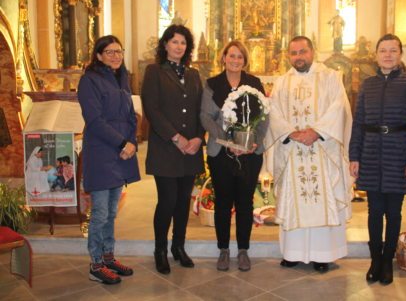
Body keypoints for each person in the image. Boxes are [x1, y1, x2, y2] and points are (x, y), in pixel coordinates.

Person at [265, 36, 353, 273]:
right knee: (293, 200)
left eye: (302, 51)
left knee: (321, 200)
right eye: (293, 53)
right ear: (288, 56)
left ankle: (323, 255)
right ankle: (293, 253)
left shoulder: (330, 77)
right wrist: (291, 133)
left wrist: (316, 132)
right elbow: (273, 112)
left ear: (312, 51)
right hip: (293, 150)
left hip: (322, 149)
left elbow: (339, 108)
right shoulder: (282, 82)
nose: (298, 57)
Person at [349, 34, 406, 285]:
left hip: (399, 151)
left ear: (400, 54)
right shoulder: (368, 84)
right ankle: (375, 260)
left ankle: (387, 262)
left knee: (394, 212)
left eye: (393, 50)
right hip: (371, 152)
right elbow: (358, 122)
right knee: (374, 211)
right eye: (383, 50)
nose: (388, 55)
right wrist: (354, 156)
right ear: (376, 54)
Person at [200, 40, 268, 272]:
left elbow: (265, 115)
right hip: (221, 152)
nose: (235, 60)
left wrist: (254, 141)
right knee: (223, 201)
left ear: (245, 60)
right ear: (224, 58)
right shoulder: (212, 84)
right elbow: (206, 117)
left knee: (245, 202)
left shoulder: (254, 83)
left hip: (250, 153)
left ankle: (243, 250)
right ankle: (223, 250)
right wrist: (228, 141)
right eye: (231, 56)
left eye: (240, 57)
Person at [142, 24, 204, 275]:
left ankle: (179, 247)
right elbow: (152, 109)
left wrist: (199, 138)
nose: (179, 46)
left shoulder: (193, 74)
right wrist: (176, 138)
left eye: (183, 43)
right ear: (165, 44)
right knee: (167, 201)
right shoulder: (154, 71)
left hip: (191, 149)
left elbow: (201, 109)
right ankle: (160, 250)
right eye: (174, 41)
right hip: (167, 148)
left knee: (182, 203)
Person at [78, 35, 140, 285]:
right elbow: (94, 120)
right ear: (99, 55)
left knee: (112, 212)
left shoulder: (122, 78)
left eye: (119, 51)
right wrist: (121, 143)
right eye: (110, 52)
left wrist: (132, 142)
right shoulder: (89, 81)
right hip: (102, 151)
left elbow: (130, 116)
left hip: (122, 152)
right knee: (101, 212)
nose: (116, 56)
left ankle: (108, 256)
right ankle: (95, 264)